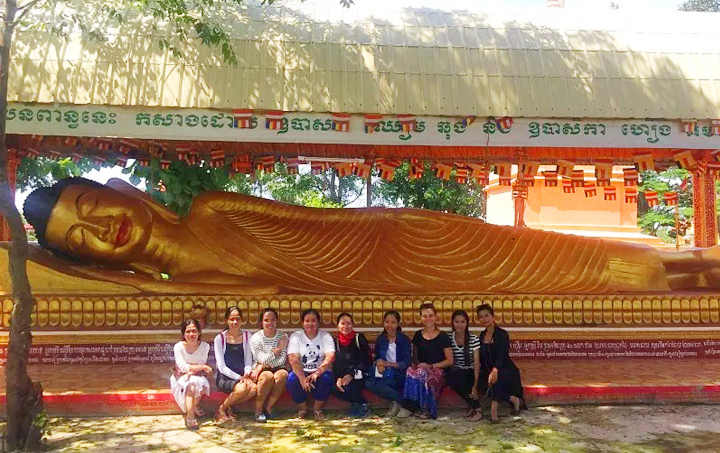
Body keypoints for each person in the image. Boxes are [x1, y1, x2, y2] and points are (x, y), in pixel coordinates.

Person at [22, 177, 720, 296]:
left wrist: (396, 233)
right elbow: (266, 286)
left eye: (88, 205)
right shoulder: (184, 283)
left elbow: (319, 223)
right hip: (380, 284)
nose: (100, 227)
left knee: (555, 255)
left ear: (125, 195)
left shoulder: (208, 210)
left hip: (397, 243)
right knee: (544, 279)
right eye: (80, 240)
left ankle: (700, 261)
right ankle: (687, 269)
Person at [397, 303, 453, 419]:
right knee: (410, 371)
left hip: (438, 371)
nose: (428, 319)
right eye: (425, 316)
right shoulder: (418, 335)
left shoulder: (443, 336)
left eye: (431, 316)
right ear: (421, 318)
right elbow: (415, 358)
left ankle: (427, 409)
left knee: (423, 373)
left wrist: (430, 366)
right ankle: (410, 405)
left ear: (436, 317)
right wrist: (415, 366)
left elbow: (449, 361)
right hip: (421, 369)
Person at [476, 304, 526, 423]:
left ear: (493, 316)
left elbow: (502, 354)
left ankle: (494, 411)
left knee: (496, 379)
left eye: (487, 315)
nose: (484, 319)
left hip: (505, 368)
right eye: (481, 317)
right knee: (479, 383)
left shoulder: (502, 334)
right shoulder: (482, 335)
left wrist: (495, 370)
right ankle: (514, 400)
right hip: (489, 369)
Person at [287, 309, 336, 420]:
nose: (310, 324)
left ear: (318, 322)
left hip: (320, 370)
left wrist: (318, 372)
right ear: (302, 323)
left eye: (313, 321)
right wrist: (302, 378)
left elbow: (330, 357)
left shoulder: (325, 336)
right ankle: (302, 409)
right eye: (307, 321)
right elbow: (293, 359)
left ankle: (317, 409)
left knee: (326, 379)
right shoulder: (296, 336)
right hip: (302, 370)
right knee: (291, 379)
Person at [213, 306, 256, 423]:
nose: (235, 322)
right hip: (225, 376)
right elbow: (221, 366)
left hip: (242, 375)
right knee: (242, 389)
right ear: (226, 320)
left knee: (253, 390)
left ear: (242, 320)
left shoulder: (248, 336)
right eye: (232, 319)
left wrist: (246, 375)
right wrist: (239, 378)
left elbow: (248, 359)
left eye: (238, 319)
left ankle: (226, 407)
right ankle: (221, 410)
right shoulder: (220, 338)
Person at [365, 310, 412, 417]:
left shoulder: (403, 340)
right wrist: (379, 361)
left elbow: (406, 363)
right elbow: (378, 357)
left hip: (400, 374)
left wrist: (389, 364)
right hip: (384, 373)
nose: (389, 325)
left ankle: (398, 402)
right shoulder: (381, 339)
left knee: (382, 384)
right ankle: (399, 401)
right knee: (368, 383)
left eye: (393, 322)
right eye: (387, 322)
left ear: (398, 324)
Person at [249, 307, 289, 421]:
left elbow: (282, 359)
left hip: (277, 367)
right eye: (266, 320)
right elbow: (260, 358)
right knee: (267, 377)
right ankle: (258, 410)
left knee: (282, 375)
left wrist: (265, 363)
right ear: (262, 322)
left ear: (277, 321)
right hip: (261, 370)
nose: (270, 323)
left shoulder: (283, 337)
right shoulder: (256, 338)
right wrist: (277, 349)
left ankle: (269, 407)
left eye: (273, 320)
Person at [171, 319, 212, 430]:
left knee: (195, 383)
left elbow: (198, 364)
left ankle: (195, 406)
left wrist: (192, 369)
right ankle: (190, 416)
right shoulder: (178, 347)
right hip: (181, 378)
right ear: (183, 334)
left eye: (194, 331)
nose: (191, 334)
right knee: (191, 385)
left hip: (198, 376)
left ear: (199, 332)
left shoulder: (205, 347)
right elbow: (182, 367)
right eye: (188, 332)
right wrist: (202, 367)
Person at [329, 312, 372, 417]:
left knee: (349, 387)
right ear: (338, 326)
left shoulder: (359, 338)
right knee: (332, 387)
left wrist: (351, 374)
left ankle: (363, 403)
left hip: (359, 373)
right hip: (344, 375)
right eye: (342, 323)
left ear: (352, 325)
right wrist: (338, 378)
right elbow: (336, 363)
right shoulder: (336, 342)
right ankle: (355, 402)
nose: (345, 326)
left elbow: (366, 360)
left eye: (349, 323)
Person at [447, 310, 482, 421]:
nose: (459, 325)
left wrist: (475, 385)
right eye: (456, 321)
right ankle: (476, 406)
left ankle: (477, 409)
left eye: (462, 322)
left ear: (467, 323)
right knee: (454, 377)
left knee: (465, 378)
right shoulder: (448, 338)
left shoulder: (474, 339)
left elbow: (476, 363)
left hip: (471, 371)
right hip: (457, 371)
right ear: (452, 323)